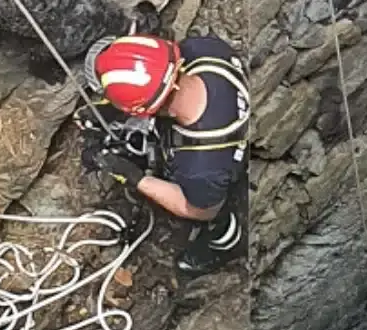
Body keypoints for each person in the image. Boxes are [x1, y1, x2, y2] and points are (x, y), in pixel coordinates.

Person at [76, 33, 249, 276]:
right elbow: (163, 82)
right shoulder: (206, 50)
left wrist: (137, 178)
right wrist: (115, 111)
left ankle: (225, 244)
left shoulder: (199, 168)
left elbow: (200, 209)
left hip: (216, 179)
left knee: (212, 213)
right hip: (226, 112)